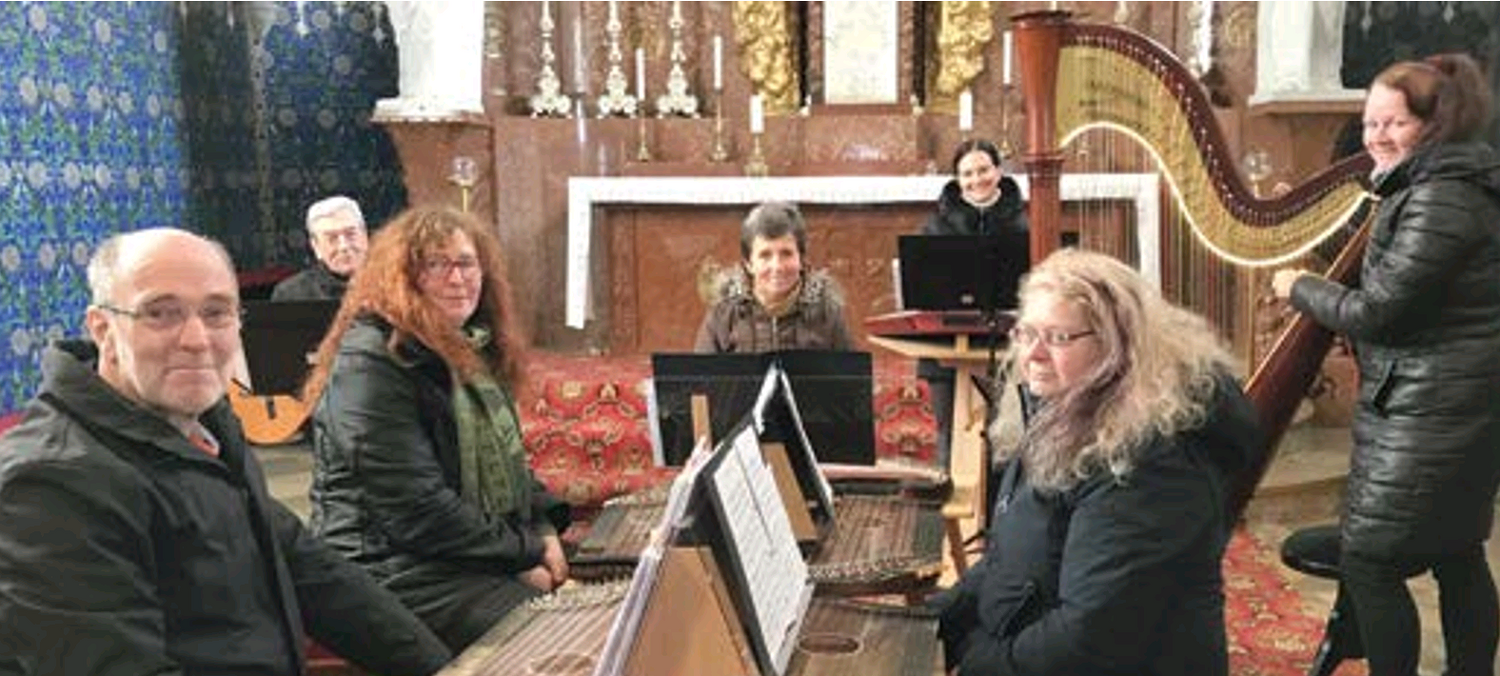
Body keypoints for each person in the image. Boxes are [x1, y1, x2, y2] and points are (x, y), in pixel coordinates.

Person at [0, 228, 451, 675]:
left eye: (216, 312)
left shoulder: (207, 422)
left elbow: (308, 568)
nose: (197, 339)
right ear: (103, 329)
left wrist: (444, 668)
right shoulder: (50, 483)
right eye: (161, 313)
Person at [1271, 53, 1500, 676]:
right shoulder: (1443, 186)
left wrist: (1299, 287)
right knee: (1458, 552)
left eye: (1394, 122)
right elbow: (1405, 285)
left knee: (1370, 561)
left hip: (1433, 412)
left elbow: (1380, 312)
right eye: (1370, 122)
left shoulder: (1440, 198)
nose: (1375, 136)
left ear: (1437, 122)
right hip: (1451, 404)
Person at [933, 248, 1262, 676]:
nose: (1032, 354)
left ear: (1116, 346)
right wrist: (931, 621)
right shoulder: (1056, 412)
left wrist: (976, 658)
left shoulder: (1149, 463)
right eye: (1026, 333)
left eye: (1058, 338)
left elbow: (1089, 641)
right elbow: (1009, 561)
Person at [303, 205, 572, 654]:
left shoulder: (469, 344)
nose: (457, 278)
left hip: (451, 549)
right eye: (435, 265)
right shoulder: (371, 361)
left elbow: (510, 462)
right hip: (385, 566)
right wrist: (524, 553)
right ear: (400, 277)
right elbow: (416, 509)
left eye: (466, 263)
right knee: (552, 637)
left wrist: (542, 528)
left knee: (625, 590)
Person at [918, 139, 1029, 468]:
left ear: (998, 172)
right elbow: (923, 285)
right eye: (967, 174)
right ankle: (948, 487)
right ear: (957, 179)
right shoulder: (936, 225)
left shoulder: (1023, 223)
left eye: (983, 170)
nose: (976, 180)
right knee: (948, 433)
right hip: (946, 339)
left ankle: (1001, 491)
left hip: (1004, 339)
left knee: (1006, 430)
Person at [694, 201, 855, 353]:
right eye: (765, 255)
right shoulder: (722, 314)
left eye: (786, 253)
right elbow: (702, 371)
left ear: (801, 259)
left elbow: (849, 371)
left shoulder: (827, 313)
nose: (777, 267)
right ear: (749, 264)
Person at [271, 195, 370, 301]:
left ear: (365, 235)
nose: (343, 246)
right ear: (316, 247)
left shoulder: (384, 280)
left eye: (350, 234)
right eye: (332, 238)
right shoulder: (291, 293)